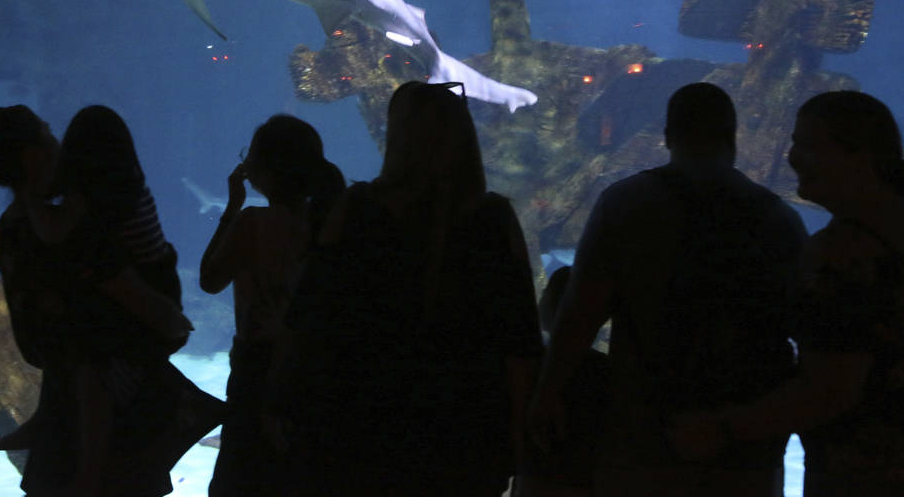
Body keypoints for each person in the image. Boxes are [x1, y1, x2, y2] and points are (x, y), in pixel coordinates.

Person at [666, 90, 904, 497]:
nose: (791, 156)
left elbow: (829, 391)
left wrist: (723, 427)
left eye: (808, 145)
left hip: (872, 469)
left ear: (859, 156)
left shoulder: (839, 254)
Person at [528, 82, 807, 497]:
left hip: (644, 425)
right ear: (732, 137)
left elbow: (582, 311)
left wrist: (548, 393)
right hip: (742, 439)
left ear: (668, 136)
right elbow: (804, 331)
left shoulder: (626, 203)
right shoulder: (779, 218)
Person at [281, 80, 543, 497]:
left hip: (364, 427)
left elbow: (310, 320)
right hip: (465, 434)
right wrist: (520, 437)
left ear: (396, 136)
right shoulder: (492, 219)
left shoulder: (356, 208)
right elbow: (520, 344)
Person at [0, 105, 219, 497]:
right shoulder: (74, 224)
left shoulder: (17, 222)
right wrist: (168, 316)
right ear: (32, 154)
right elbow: (126, 296)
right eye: (48, 133)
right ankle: (88, 473)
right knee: (92, 379)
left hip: (65, 400)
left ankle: (49, 429)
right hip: (107, 411)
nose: (58, 143)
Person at [200, 114, 345, 497]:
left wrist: (233, 205)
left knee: (241, 476)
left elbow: (209, 279)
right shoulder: (328, 223)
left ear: (261, 170)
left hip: (255, 369)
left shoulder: (251, 224)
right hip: (309, 368)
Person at [518, 266, 610, 497]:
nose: (540, 299)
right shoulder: (607, 370)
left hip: (537, 477)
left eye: (546, 292)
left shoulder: (531, 365)